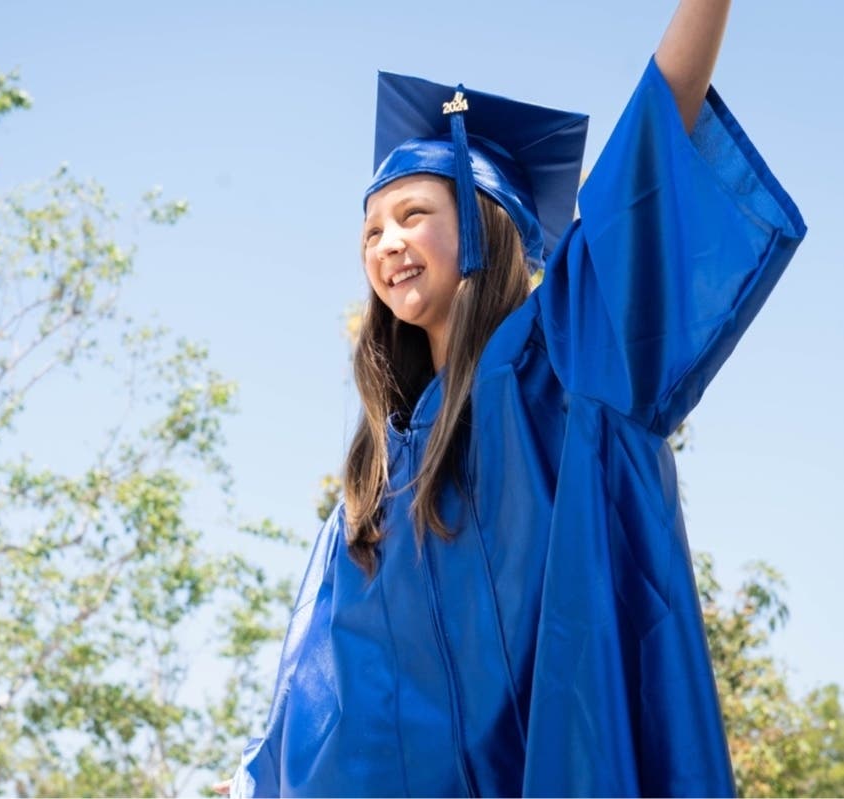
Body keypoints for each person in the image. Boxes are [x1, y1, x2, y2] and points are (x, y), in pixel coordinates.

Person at [226, 1, 806, 795]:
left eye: (411, 215)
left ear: (480, 223)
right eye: (370, 230)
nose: (385, 241)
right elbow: (314, 693)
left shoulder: (557, 360)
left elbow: (651, 142)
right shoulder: (372, 486)